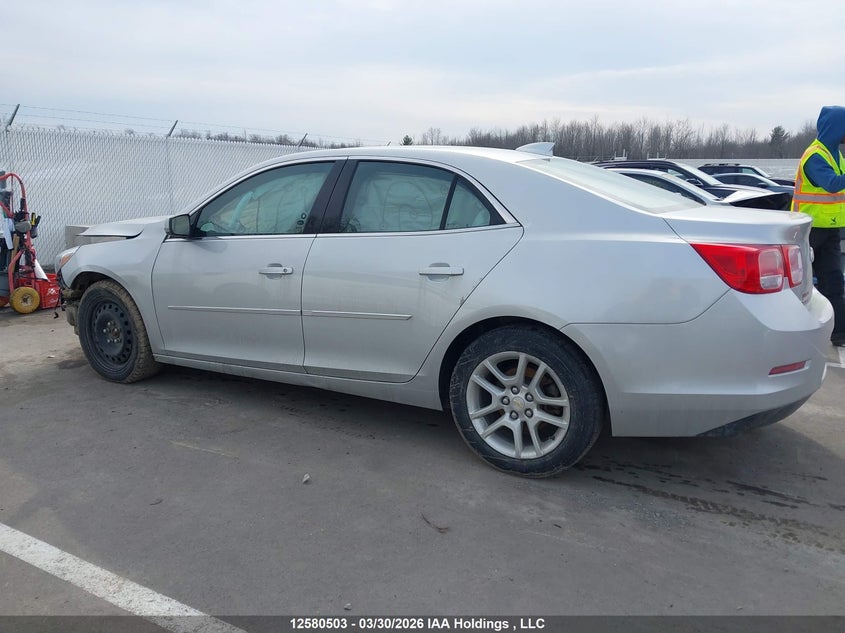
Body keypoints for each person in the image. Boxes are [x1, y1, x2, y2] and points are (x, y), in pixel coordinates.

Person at [792, 105, 845, 347]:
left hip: (831, 230)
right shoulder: (814, 155)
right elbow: (832, 184)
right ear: (836, 128)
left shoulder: (837, 155)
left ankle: (839, 333)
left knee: (833, 280)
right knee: (799, 284)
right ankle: (794, 331)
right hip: (807, 231)